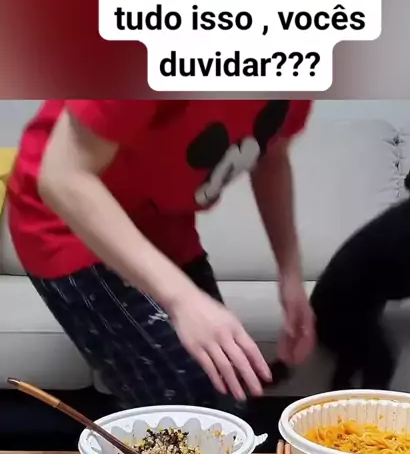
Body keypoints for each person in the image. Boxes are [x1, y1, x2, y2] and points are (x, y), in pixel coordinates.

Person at [7, 99, 314, 411]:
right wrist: (183, 300)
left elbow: (272, 155)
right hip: (69, 220)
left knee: (223, 391)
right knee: (192, 405)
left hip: (161, 221)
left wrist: (290, 273)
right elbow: (62, 177)